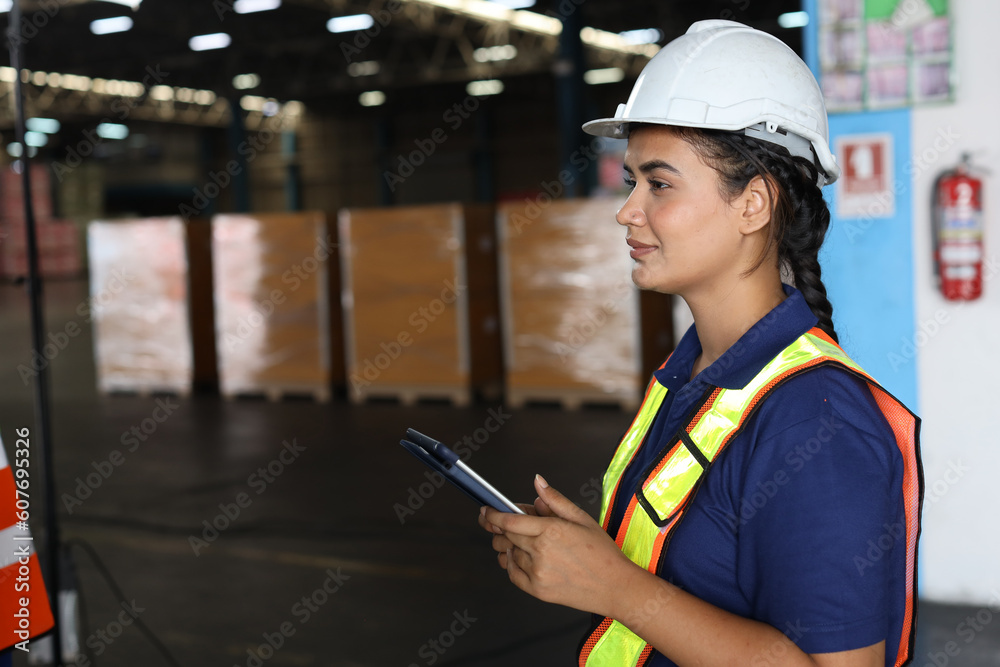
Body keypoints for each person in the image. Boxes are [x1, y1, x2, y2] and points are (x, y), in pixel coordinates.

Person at [479, 20, 922, 667]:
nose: (627, 210)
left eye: (658, 183)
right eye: (631, 180)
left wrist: (615, 584)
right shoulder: (693, 375)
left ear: (753, 205)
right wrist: (584, 557)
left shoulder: (816, 422)